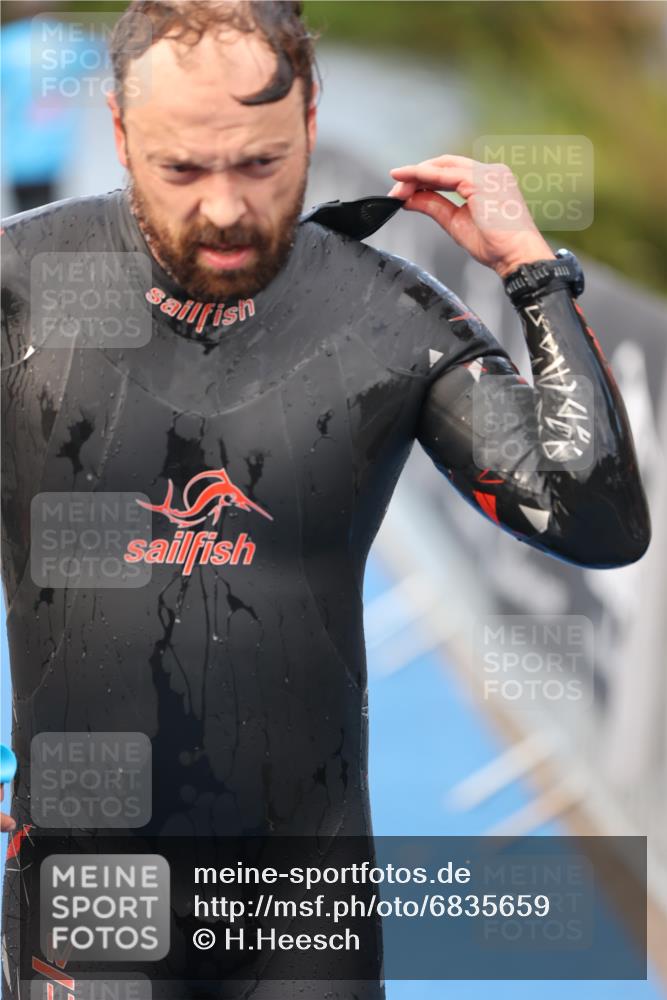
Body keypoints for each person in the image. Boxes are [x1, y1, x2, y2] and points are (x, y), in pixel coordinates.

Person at [0, 1, 651, 998]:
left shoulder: (383, 317)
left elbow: (597, 521)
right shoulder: (23, 289)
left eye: (260, 164)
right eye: (182, 169)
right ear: (121, 134)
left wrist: (531, 272)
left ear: (310, 125)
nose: (223, 207)